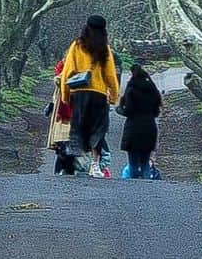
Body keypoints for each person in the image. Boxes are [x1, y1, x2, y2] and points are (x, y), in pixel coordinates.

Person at [59, 14, 120, 178]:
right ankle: (95, 165)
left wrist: (65, 95)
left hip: (79, 94)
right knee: (97, 130)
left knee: (79, 128)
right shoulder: (104, 48)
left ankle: (77, 164)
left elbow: (67, 71)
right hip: (98, 95)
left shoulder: (77, 45)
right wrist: (114, 96)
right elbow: (110, 75)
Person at [117, 63, 162, 178]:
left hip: (133, 128)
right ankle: (147, 188)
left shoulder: (131, 89)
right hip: (149, 128)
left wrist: (119, 109)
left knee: (133, 164)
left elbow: (127, 110)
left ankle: (134, 190)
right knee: (145, 163)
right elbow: (157, 111)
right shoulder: (152, 90)